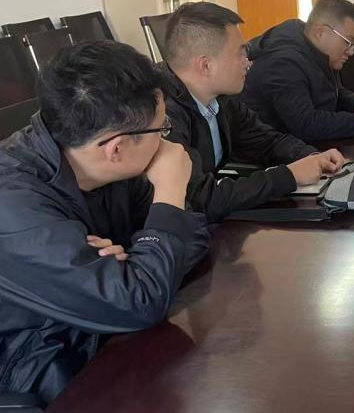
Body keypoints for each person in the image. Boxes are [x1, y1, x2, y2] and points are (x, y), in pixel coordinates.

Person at [0, 41, 209, 405]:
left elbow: (194, 231)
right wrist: (170, 191)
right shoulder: (12, 204)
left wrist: (130, 264)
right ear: (116, 148)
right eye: (162, 129)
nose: (168, 142)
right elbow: (141, 301)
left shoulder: (107, 165)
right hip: (39, 367)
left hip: (102, 337)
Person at [160, 2, 347, 222]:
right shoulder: (163, 116)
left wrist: (312, 157)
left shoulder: (221, 99)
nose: (248, 63)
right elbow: (200, 200)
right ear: (206, 65)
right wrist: (289, 176)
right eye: (239, 54)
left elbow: (265, 140)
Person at [241, 0, 354, 142]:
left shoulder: (318, 53)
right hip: (268, 155)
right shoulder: (284, 62)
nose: (350, 52)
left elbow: (332, 92)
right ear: (320, 32)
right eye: (348, 42)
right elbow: (305, 124)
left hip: (299, 148)